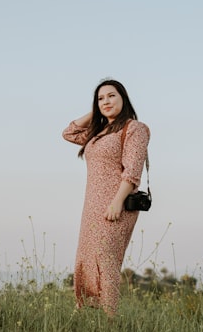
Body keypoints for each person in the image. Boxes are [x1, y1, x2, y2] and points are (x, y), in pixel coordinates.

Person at [62, 79, 150, 316]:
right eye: (101, 98)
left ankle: (110, 321)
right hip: (92, 205)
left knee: (106, 260)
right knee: (86, 259)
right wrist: (96, 110)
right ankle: (87, 314)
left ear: (124, 98)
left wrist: (117, 202)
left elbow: (132, 170)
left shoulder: (134, 128)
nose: (106, 102)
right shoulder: (98, 132)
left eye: (112, 96)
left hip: (116, 204)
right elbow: (68, 132)